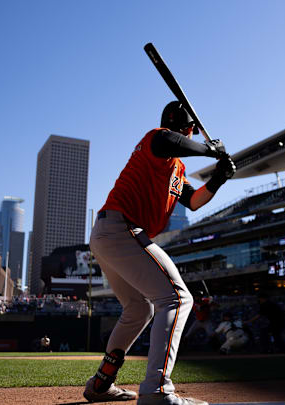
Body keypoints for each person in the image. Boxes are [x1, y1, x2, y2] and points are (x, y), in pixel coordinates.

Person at [82, 101, 236, 405]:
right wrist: (210, 149)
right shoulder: (157, 139)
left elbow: (193, 201)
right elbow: (167, 140)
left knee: (140, 309)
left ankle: (101, 383)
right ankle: (157, 390)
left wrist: (218, 177)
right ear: (188, 128)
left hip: (109, 234)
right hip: (121, 228)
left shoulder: (175, 167)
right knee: (178, 298)